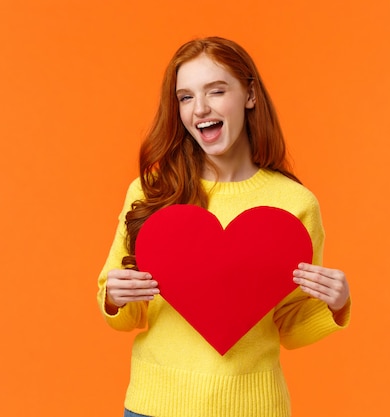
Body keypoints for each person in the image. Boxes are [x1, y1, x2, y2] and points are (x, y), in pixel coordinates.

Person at [97, 36, 351, 417]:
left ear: (249, 95)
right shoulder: (151, 191)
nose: (200, 109)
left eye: (216, 91)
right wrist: (116, 297)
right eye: (185, 97)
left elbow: (289, 327)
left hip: (254, 408)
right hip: (154, 406)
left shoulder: (294, 204)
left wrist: (337, 303)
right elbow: (126, 316)